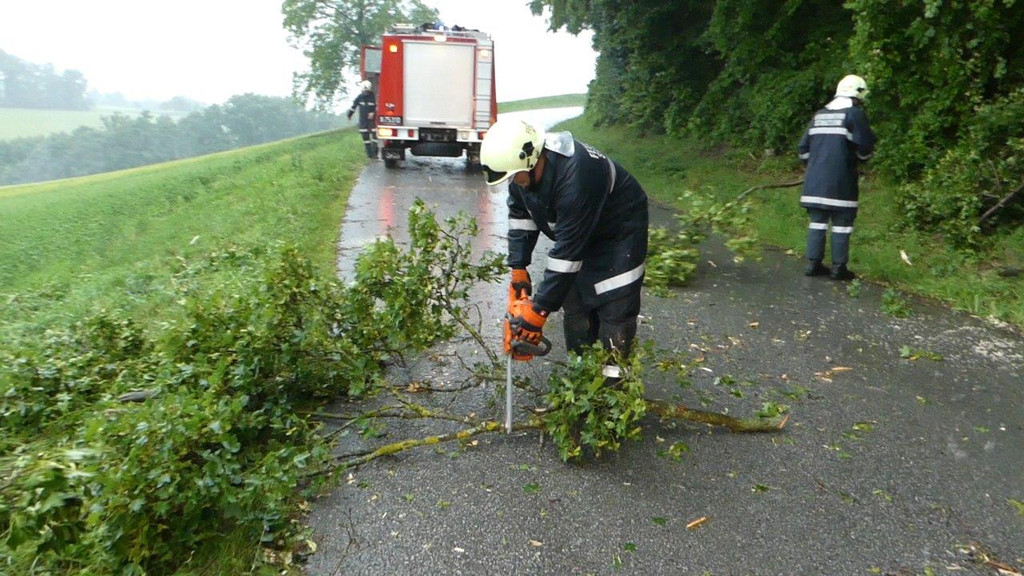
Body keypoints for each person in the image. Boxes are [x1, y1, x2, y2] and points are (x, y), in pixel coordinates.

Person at [480, 119, 649, 382]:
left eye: (514, 176)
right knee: (576, 300)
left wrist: (539, 311)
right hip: (579, 231)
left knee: (615, 304)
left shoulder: (577, 174)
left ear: (531, 160)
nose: (514, 182)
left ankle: (614, 388)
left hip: (619, 232)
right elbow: (521, 217)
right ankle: (581, 379)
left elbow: (567, 255)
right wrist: (519, 267)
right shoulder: (521, 172)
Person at [797, 74, 876, 281]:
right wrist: (861, 158)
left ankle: (813, 264)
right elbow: (864, 147)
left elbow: (803, 148)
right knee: (842, 223)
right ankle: (838, 268)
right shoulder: (854, 114)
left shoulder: (820, 114)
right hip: (841, 182)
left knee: (817, 222)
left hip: (814, 183)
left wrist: (814, 166)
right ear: (858, 95)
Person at [347, 80, 377, 159]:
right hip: (363, 122)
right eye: (364, 90)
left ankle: (375, 153)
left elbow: (377, 107)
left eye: (366, 90)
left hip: (372, 122)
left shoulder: (373, 97)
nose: (365, 92)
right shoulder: (359, 97)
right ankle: (370, 155)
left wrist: (373, 113)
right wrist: (349, 115)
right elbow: (353, 106)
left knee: (375, 137)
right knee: (366, 139)